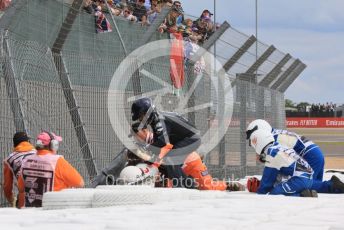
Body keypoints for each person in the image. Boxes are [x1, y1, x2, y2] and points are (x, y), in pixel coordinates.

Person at [130, 98, 244, 191]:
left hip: (192, 147)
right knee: (169, 162)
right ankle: (186, 186)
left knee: (207, 186)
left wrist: (145, 152)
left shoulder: (159, 122)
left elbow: (163, 145)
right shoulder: (156, 125)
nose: (140, 121)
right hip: (186, 149)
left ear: (147, 113)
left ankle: (184, 189)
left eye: (140, 117)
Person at [246, 119, 344, 193]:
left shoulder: (273, 139)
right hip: (314, 153)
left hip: (309, 156)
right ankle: (332, 185)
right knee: (314, 188)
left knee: (306, 186)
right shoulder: (277, 133)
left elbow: (281, 161)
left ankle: (333, 185)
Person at [17, 131, 84, 208]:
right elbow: (80, 183)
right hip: (53, 211)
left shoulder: (26, 160)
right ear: (53, 145)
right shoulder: (58, 161)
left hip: (31, 211)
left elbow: (20, 187)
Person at [247, 129, 317, 197]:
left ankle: (303, 195)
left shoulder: (272, 154)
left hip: (300, 180)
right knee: (278, 188)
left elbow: (267, 180)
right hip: (308, 178)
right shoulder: (278, 147)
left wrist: (260, 191)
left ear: (259, 143)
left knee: (275, 194)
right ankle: (305, 192)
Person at [3, 132, 36, 207]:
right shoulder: (39, 153)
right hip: (44, 198)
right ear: (28, 142)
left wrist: (12, 200)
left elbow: (7, 187)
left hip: (24, 201)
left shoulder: (10, 159)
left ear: (15, 145)